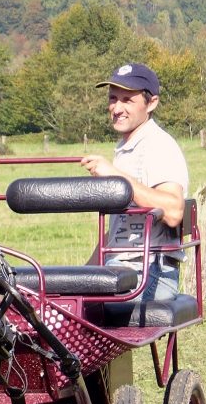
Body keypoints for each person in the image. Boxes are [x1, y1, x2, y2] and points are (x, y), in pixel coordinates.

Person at [80, 62, 189, 301]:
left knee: (76, 311)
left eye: (128, 100)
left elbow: (173, 210)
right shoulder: (127, 149)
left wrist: (116, 177)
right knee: (59, 302)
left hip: (152, 272)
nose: (117, 108)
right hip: (120, 269)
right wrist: (79, 276)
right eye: (113, 98)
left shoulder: (158, 146)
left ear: (152, 104)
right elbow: (120, 229)